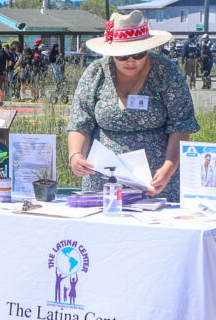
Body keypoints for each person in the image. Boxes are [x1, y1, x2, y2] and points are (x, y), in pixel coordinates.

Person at [67, 10, 198, 201]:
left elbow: (181, 124)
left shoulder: (166, 72)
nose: (130, 61)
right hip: (103, 180)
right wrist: (76, 155)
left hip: (156, 181)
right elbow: (80, 121)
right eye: (122, 56)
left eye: (138, 54)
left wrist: (169, 167)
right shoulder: (96, 73)